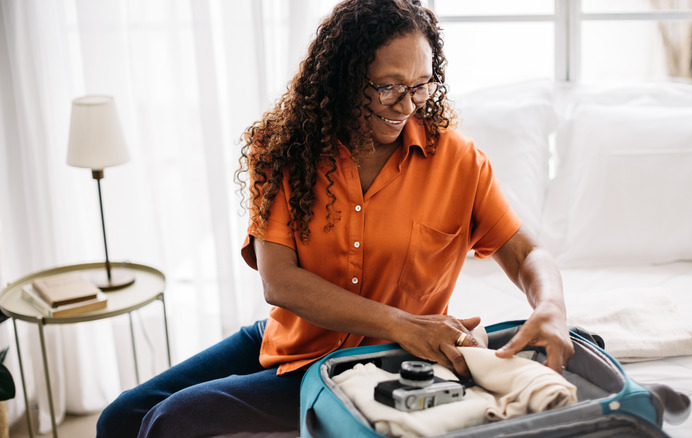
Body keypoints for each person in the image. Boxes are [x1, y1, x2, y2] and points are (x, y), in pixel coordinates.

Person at [97, 0, 573, 436]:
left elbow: (526, 250)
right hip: (288, 337)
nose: (406, 105)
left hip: (372, 362)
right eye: (387, 87)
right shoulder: (284, 149)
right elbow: (279, 282)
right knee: (119, 418)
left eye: (420, 85)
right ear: (344, 79)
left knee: (172, 420)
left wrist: (550, 307)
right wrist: (406, 321)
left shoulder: (459, 161)